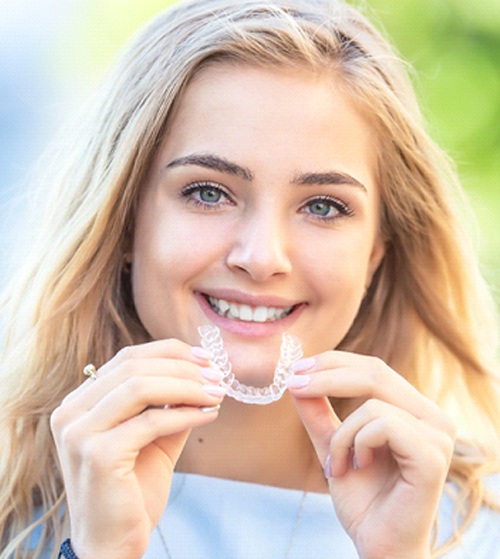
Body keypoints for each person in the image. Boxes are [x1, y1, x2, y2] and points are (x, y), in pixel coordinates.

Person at [1, 0, 499, 557]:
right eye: (208, 192)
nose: (262, 258)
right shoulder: (15, 520)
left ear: (376, 255)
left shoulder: (480, 531)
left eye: (323, 206)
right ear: (122, 224)